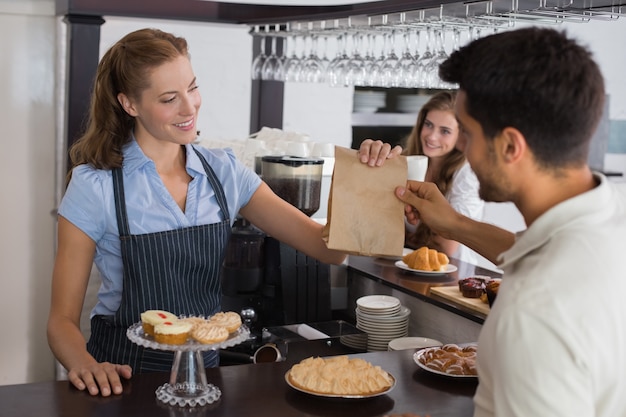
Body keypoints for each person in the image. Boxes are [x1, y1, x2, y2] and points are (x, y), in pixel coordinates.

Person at [46, 28, 400, 398]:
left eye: (192, 88)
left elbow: (328, 249)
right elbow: (61, 321)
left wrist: (363, 176)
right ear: (129, 104)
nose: (190, 107)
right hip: (122, 378)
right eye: (170, 98)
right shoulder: (96, 185)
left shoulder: (225, 173)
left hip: (204, 380)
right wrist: (84, 364)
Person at [395, 27, 626, 416]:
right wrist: (452, 223)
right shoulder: (608, 215)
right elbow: (536, 252)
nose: (461, 147)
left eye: (466, 133)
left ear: (510, 146)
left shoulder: (534, 310)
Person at [401, 91, 483, 265]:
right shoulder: (407, 161)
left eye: (444, 131)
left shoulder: (467, 175)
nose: (431, 136)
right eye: (428, 125)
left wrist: (403, 238)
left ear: (461, 136)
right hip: (405, 266)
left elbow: (445, 249)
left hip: (449, 274)